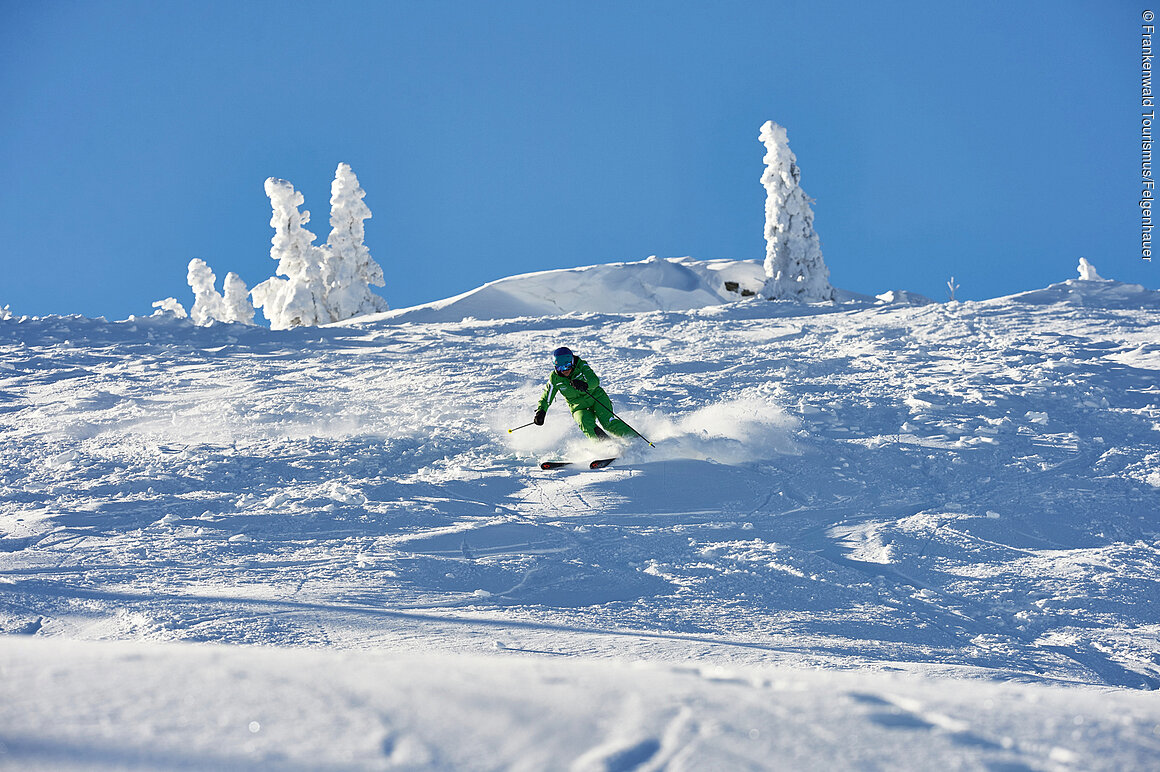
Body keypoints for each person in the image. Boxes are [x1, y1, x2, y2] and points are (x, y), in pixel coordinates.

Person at [534, 347, 636, 442]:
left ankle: (634, 438)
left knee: (608, 423)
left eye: (567, 366)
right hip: (578, 407)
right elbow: (546, 397)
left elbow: (595, 380)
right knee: (584, 421)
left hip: (597, 398)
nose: (565, 370)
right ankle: (605, 446)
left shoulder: (581, 366)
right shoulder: (555, 378)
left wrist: (585, 385)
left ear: (572, 362)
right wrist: (541, 411)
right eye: (561, 368)